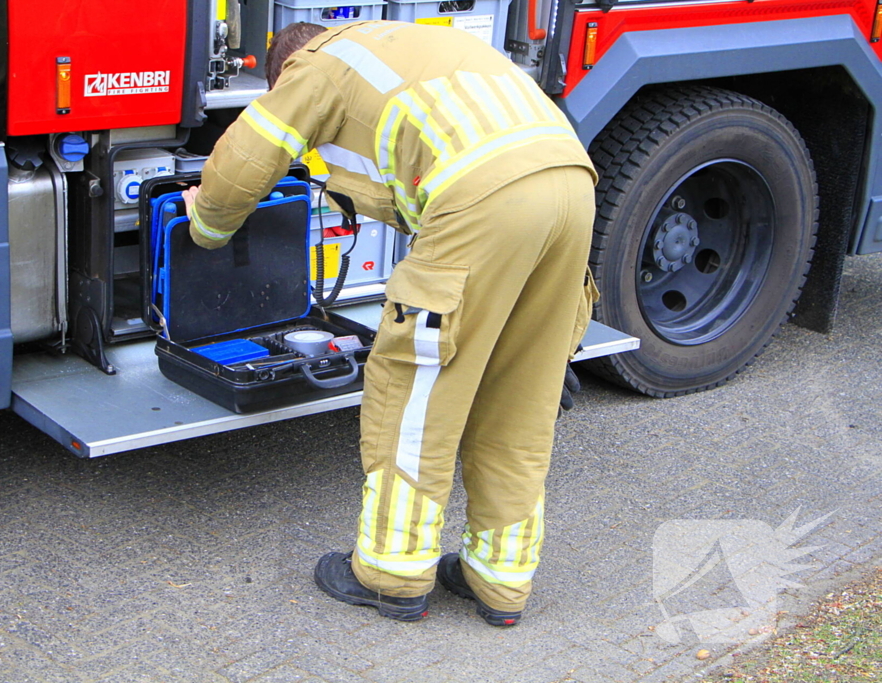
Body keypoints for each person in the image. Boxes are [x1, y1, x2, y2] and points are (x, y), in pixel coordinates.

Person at [183, 20, 598, 626]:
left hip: (482, 196)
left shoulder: (315, 65)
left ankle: (391, 575)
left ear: (284, 68)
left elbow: (248, 154)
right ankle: (499, 583)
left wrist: (208, 225)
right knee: (521, 399)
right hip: (570, 186)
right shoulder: (402, 45)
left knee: (415, 396)